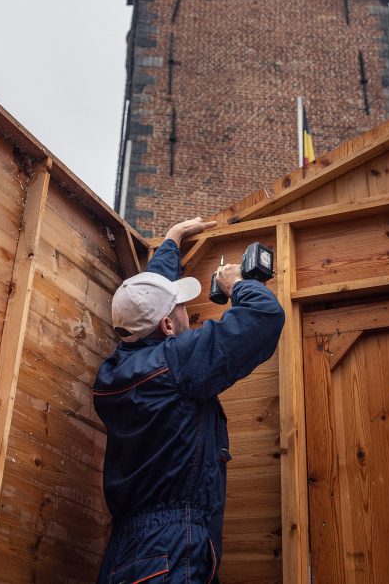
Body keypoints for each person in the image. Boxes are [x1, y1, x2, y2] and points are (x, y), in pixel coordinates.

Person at [92, 217, 285, 584]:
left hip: (125, 556)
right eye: (180, 307)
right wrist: (238, 286)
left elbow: (144, 301)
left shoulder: (116, 371)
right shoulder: (176, 364)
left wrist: (171, 240)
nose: (187, 312)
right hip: (171, 553)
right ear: (167, 326)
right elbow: (262, 317)